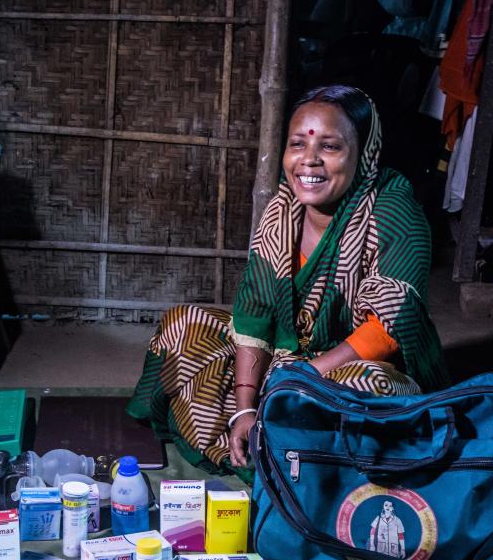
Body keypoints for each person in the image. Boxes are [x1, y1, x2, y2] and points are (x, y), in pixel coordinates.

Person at [126, 85, 447, 482]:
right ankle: (261, 442)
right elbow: (255, 316)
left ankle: (302, 462)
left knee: (368, 387)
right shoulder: (282, 212)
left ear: (364, 152)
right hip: (287, 358)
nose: (308, 160)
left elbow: (387, 327)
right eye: (297, 144)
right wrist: (246, 405)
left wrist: (302, 377)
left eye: (329, 147)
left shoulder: (395, 212)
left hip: (353, 367)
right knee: (184, 325)